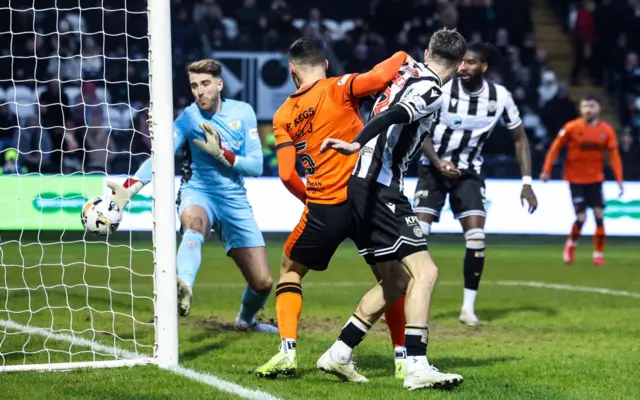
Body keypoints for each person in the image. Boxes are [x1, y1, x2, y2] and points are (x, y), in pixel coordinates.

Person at [254, 38, 412, 379]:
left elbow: (285, 173)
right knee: (390, 279)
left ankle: (287, 352)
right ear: (325, 65)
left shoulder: (283, 114)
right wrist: (401, 54)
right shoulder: (340, 86)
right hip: (366, 198)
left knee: (290, 271)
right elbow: (379, 77)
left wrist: (309, 199)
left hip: (324, 205)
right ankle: (402, 358)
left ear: (291, 70)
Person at [319, 28, 466, 391]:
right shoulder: (432, 89)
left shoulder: (407, 70)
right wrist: (356, 143)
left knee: (396, 281)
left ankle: (338, 353)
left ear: (428, 49)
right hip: (380, 185)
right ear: (461, 66)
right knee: (425, 273)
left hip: (361, 184)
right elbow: (398, 113)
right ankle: (416, 364)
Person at [108, 59, 277, 333]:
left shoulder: (242, 112)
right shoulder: (188, 118)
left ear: (219, 85)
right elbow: (161, 156)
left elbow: (256, 166)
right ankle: (183, 285)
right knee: (194, 227)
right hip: (198, 192)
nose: (200, 91)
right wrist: (130, 188)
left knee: (263, 283)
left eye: (206, 84)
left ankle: (246, 321)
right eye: (194, 86)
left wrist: (223, 154)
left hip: (234, 199)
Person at [415, 42, 538, 326]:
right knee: (417, 237)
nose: (463, 67)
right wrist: (437, 163)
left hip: (469, 173)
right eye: (461, 62)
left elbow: (520, 139)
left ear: (484, 66)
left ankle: (467, 309)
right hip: (432, 170)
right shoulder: (443, 90)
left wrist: (527, 182)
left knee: (477, 238)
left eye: (470, 62)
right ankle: (401, 300)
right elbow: (421, 131)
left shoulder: (500, 97)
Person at [540, 95, 623, 266]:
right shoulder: (571, 127)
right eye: (585, 106)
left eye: (591, 106)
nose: (588, 110)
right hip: (575, 179)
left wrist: (619, 179)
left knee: (599, 215)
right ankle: (570, 245)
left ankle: (598, 254)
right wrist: (546, 170)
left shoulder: (606, 130)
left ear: (598, 108)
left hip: (595, 179)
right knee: (582, 217)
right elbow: (555, 148)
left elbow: (614, 155)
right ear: (580, 109)